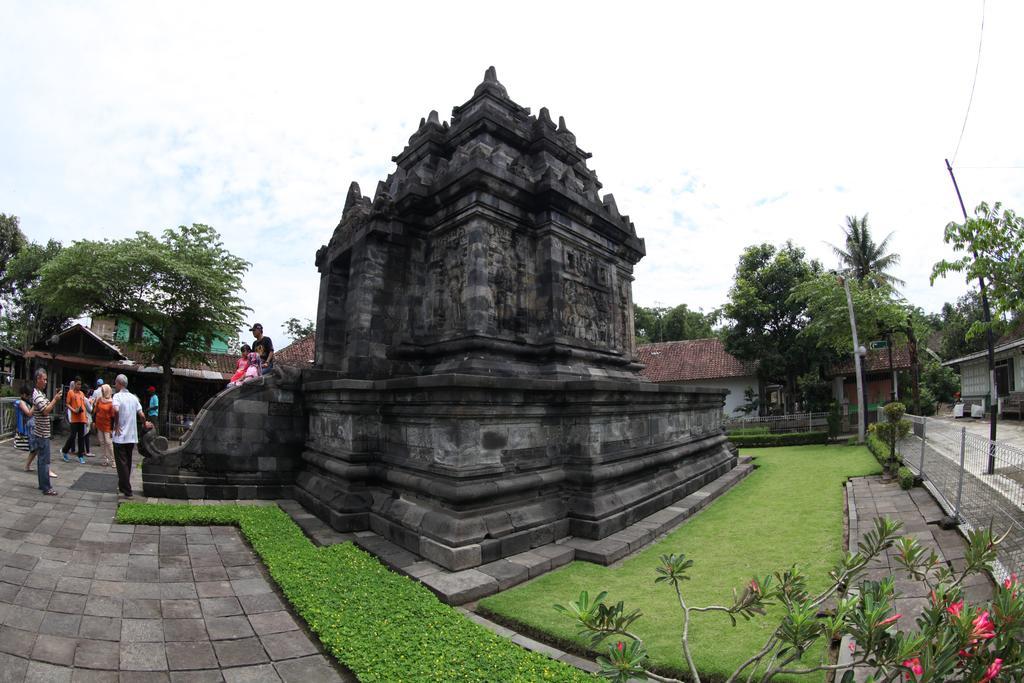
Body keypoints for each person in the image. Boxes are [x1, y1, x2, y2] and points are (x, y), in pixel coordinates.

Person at [111, 374, 153, 497]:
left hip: (120, 436)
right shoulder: (134, 398)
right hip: (131, 435)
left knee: (121, 463)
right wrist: (145, 424)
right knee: (127, 462)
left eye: (116, 383)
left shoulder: (117, 396)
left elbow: (116, 410)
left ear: (119, 384)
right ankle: (123, 486)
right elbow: (142, 415)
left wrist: (117, 424)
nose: (115, 385)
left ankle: (127, 489)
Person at [31, 368, 63, 496]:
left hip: (41, 432)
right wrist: (55, 399)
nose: (45, 382)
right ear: (38, 379)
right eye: (44, 379)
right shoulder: (37, 395)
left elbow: (47, 406)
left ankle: (42, 484)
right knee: (44, 461)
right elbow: (45, 410)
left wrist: (54, 400)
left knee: (41, 460)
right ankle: (46, 487)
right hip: (42, 433)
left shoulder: (40, 394)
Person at [61, 378, 88, 464]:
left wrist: (86, 417)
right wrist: (74, 410)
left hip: (82, 418)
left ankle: (80, 455)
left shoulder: (82, 393)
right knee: (72, 436)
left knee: (81, 437)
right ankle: (65, 450)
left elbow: (83, 405)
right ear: (74, 384)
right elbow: (67, 404)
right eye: (78, 384)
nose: (79, 386)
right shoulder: (70, 392)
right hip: (74, 418)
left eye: (80, 384)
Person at [92, 383, 115, 467]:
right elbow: (95, 411)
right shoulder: (99, 400)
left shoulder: (111, 403)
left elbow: (113, 417)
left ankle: (113, 460)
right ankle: (105, 459)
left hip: (107, 425)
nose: (102, 392)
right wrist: (94, 421)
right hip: (99, 423)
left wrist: (112, 429)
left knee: (109, 442)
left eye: (103, 390)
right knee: (102, 442)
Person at [14, 384, 33, 451]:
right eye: (28, 395)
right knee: (29, 449)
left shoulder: (25, 402)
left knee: (31, 450)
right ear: (24, 394)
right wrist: (35, 405)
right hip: (24, 429)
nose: (29, 396)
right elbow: (29, 413)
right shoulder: (21, 402)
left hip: (27, 428)